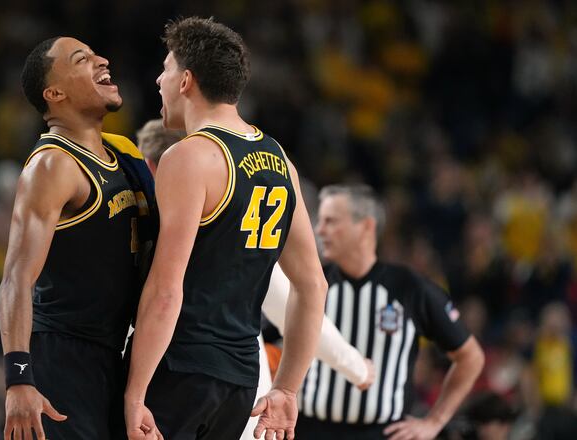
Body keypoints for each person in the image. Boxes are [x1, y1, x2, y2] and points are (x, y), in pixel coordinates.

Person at [125, 17, 328, 440]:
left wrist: (134, 392)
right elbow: (313, 285)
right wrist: (286, 389)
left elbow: (166, 290)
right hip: (240, 382)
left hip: (180, 370)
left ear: (186, 81)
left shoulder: (189, 157)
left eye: (166, 69)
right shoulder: (280, 160)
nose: (159, 81)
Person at [135, 118, 377, 439]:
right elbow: (303, 294)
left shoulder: (146, 225)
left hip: (180, 378)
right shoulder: (237, 218)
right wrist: (355, 367)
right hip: (238, 383)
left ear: (151, 167)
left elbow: (302, 292)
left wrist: (132, 393)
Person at [0, 36, 154, 440]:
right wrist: (18, 378)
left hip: (114, 353)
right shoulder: (53, 164)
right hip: (62, 355)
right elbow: (16, 277)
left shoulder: (123, 154)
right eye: (82, 59)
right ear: (55, 93)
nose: (102, 60)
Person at [297, 184, 485, 440]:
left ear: (366, 227)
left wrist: (435, 422)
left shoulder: (410, 288)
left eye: (331, 221)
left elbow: (471, 357)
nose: (320, 230)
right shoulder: (311, 284)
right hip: (310, 431)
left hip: (382, 434)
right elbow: (264, 337)